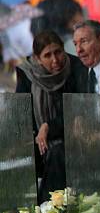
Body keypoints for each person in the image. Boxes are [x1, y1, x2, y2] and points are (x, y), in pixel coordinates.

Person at [16, 30, 81, 202]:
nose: (55, 60)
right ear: (37, 58)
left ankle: (48, 211)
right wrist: (34, 136)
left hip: (68, 133)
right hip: (36, 137)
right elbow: (21, 115)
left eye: (58, 52)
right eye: (47, 55)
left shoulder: (75, 67)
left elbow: (75, 112)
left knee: (56, 153)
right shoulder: (26, 74)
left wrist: (48, 126)